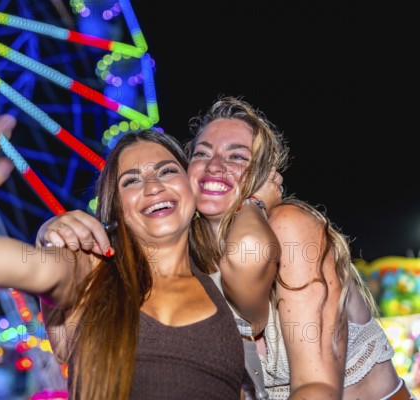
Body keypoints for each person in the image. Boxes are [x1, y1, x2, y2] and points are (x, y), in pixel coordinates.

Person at [0, 94, 254, 399]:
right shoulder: (90, 270)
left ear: (191, 187)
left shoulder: (232, 281)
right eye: (131, 181)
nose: (153, 186)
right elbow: (28, 266)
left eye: (167, 171)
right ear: (116, 209)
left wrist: (258, 195)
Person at [37, 96, 410, 399]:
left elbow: (317, 389)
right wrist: (51, 239)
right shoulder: (182, 261)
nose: (216, 165)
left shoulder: (289, 228)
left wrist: (254, 206)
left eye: (237, 157)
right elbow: (69, 346)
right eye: (202, 153)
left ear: (264, 175)